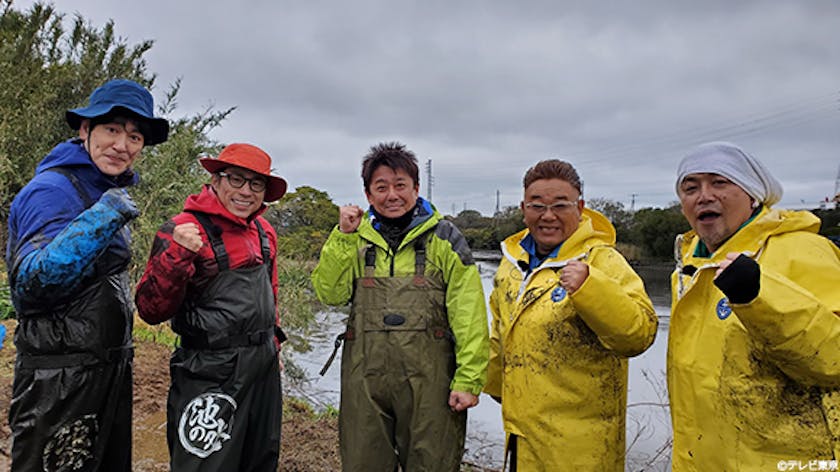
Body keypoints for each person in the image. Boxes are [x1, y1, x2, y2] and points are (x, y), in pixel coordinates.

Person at [5, 78, 169, 471]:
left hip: (105, 368)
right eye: (111, 130)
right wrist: (103, 217)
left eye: (134, 137)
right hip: (58, 378)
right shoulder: (52, 190)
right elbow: (30, 287)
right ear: (85, 131)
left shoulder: (103, 190)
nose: (122, 145)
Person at [311, 142, 489, 471]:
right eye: (381, 187)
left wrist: (469, 379)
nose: (392, 195)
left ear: (416, 188)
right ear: (368, 194)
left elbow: (470, 313)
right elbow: (329, 294)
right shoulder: (355, 240)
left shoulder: (445, 239)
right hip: (364, 381)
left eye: (400, 185)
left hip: (431, 384)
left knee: (432, 464)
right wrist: (342, 237)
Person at [670, 141, 840, 470]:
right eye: (691, 188)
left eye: (720, 182)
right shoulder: (690, 269)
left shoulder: (803, 250)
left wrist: (759, 297)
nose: (704, 195)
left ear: (752, 195)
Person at [484, 159, 657, 471]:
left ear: (580, 207)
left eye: (560, 206)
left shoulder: (603, 260)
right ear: (523, 208)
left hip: (582, 446)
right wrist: (486, 385)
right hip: (522, 436)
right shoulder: (512, 264)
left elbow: (639, 334)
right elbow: (501, 334)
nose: (548, 216)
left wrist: (591, 288)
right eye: (537, 206)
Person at [134, 143, 287, 471]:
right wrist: (178, 254)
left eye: (256, 183)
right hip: (209, 369)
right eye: (236, 179)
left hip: (263, 367)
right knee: (204, 464)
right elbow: (150, 309)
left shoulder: (265, 233)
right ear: (215, 180)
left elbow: (270, 293)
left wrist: (273, 345)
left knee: (260, 458)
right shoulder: (181, 229)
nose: (246, 191)